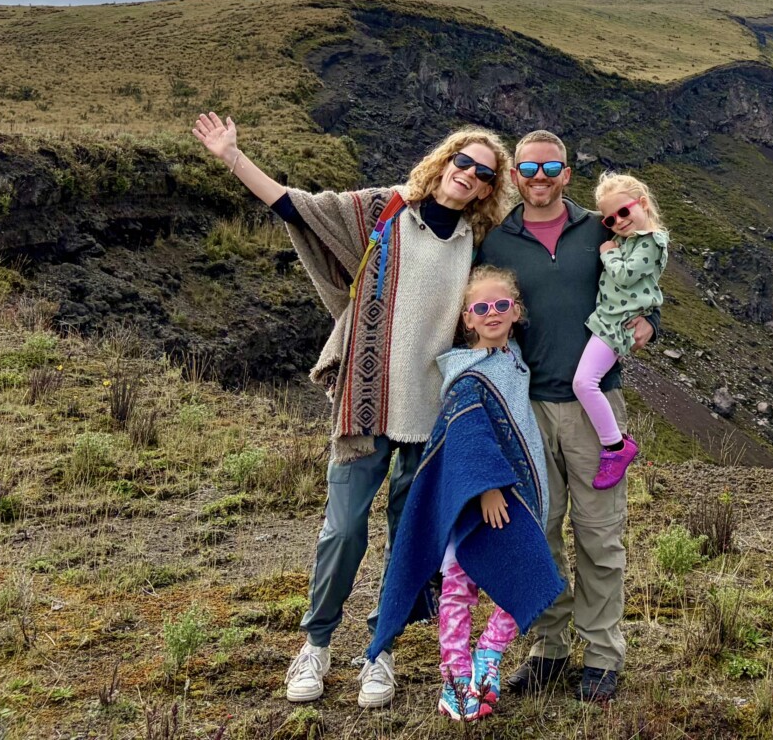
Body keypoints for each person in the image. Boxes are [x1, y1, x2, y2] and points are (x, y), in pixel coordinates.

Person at [190, 112, 513, 709]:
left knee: (409, 539)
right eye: (462, 162)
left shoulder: (478, 243)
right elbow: (298, 208)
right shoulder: (381, 213)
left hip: (433, 414)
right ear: (442, 162)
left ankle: (380, 652)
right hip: (367, 406)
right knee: (342, 531)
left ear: (491, 190)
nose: (469, 175)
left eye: (484, 173)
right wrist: (233, 157)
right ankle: (315, 644)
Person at [473, 130, 655, 705]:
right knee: (540, 533)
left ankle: (602, 655)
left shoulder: (597, 228)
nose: (540, 176)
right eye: (528, 168)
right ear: (515, 177)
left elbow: (641, 277)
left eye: (551, 166)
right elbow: (478, 311)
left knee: (599, 537)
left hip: (594, 405)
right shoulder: (498, 241)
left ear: (567, 173)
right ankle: (548, 649)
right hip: (526, 409)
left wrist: (654, 319)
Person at [367, 265, 563, 723]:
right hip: (473, 501)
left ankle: (489, 654)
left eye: (501, 305)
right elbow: (469, 437)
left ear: (516, 312)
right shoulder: (465, 374)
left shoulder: (516, 359)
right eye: (481, 308)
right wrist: (488, 488)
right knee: (458, 587)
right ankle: (454, 679)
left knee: (532, 574)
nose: (491, 313)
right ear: (467, 319)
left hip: (519, 498)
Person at [574, 172, 670, 489]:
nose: (618, 221)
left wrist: (608, 252)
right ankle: (615, 444)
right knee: (586, 381)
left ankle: (616, 446)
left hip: (617, 325)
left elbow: (626, 276)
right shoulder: (632, 240)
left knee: (584, 383)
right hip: (610, 319)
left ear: (642, 204)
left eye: (624, 212)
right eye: (610, 219)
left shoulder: (651, 243)